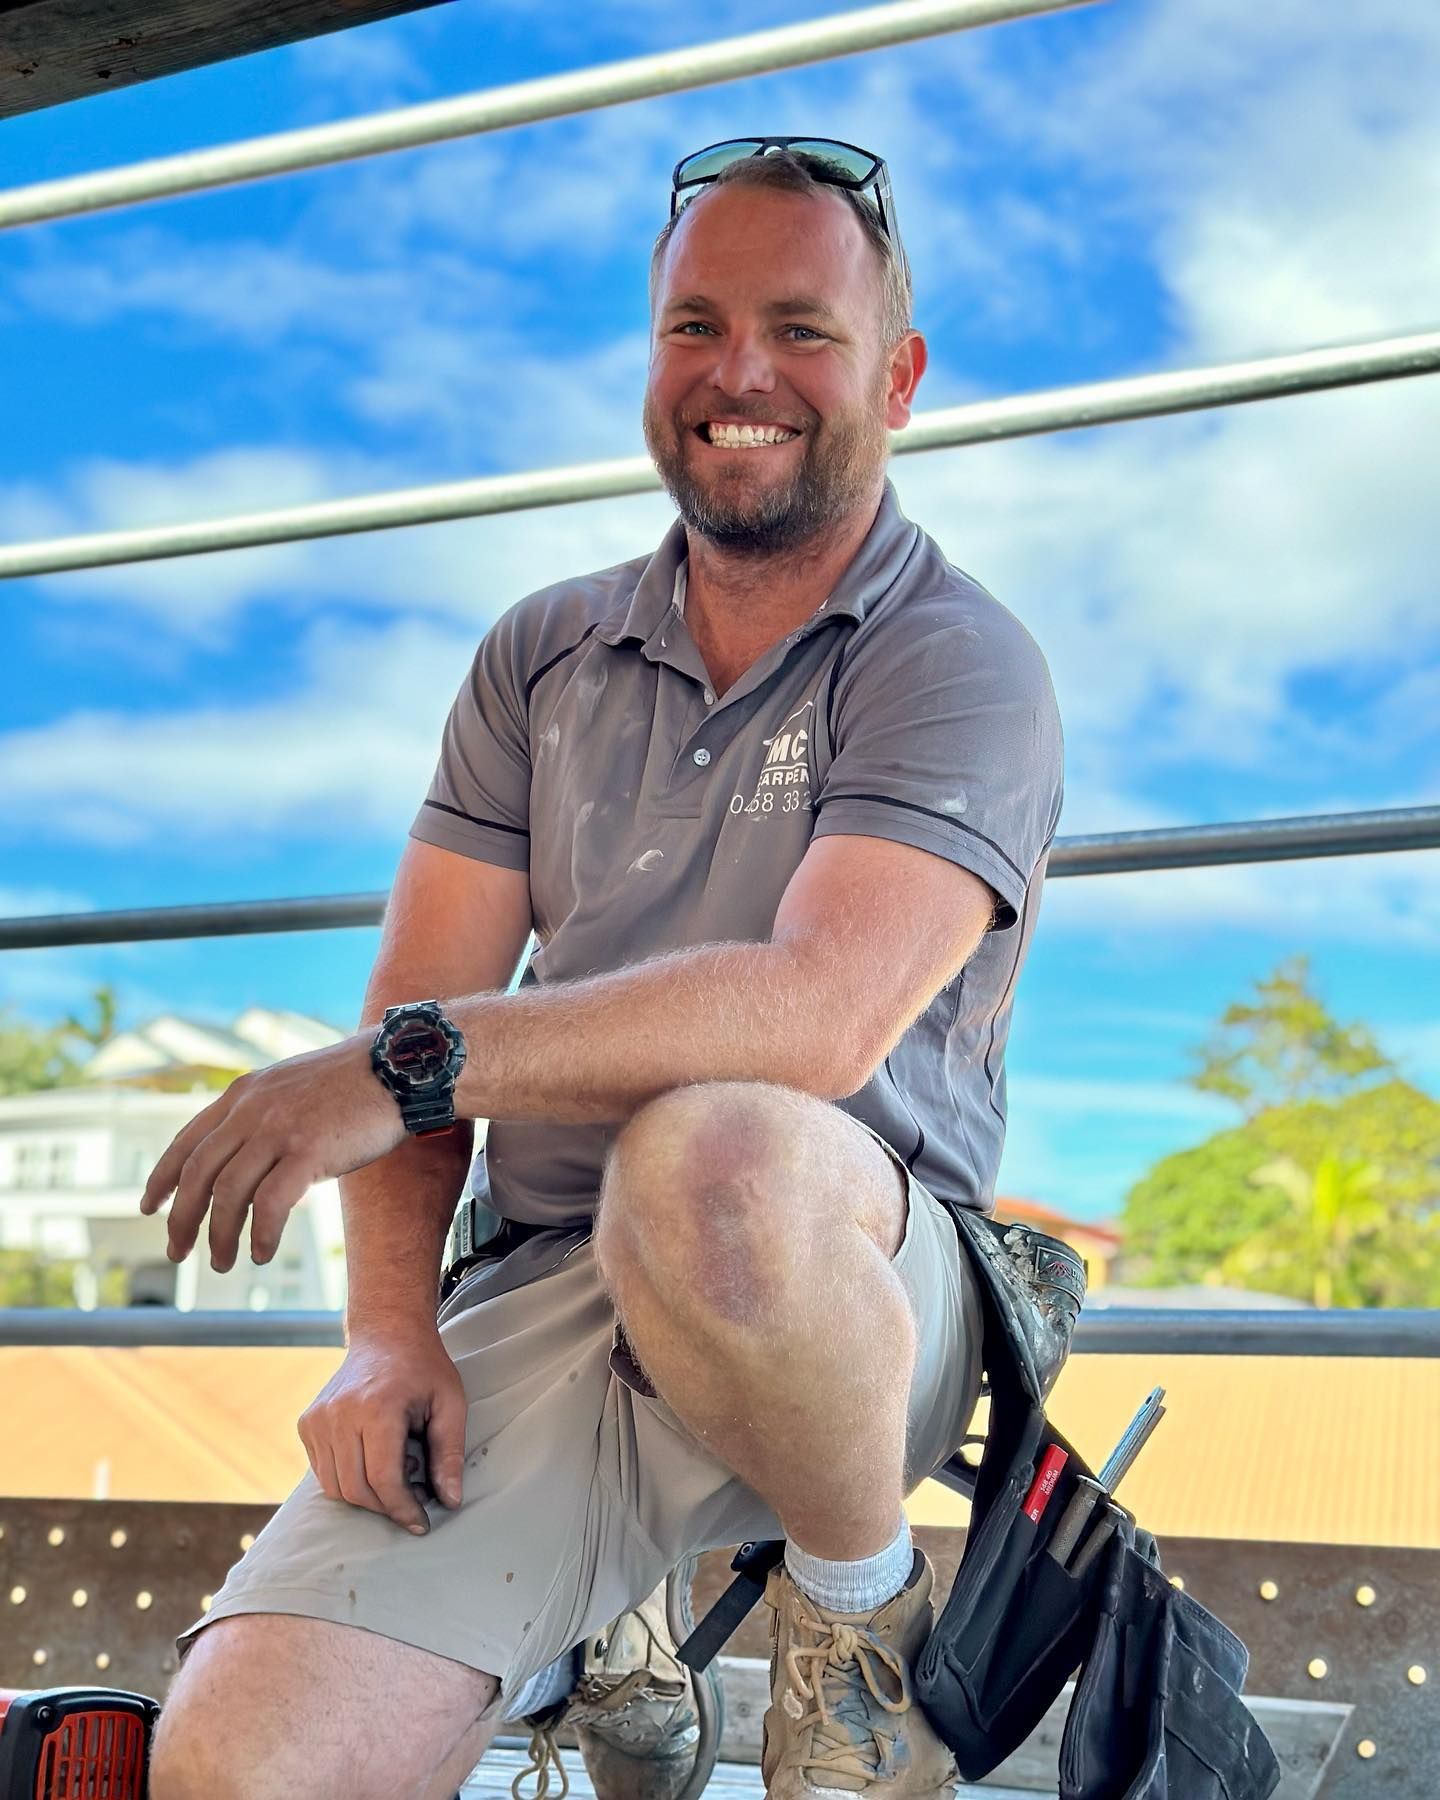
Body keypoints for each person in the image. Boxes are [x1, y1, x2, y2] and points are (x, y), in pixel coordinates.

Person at [142, 138, 1064, 1800]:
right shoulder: (539, 654)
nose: (740, 375)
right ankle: (613, 1631)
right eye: (694, 325)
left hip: (845, 1285)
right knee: (240, 1773)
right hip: (559, 1273)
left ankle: (854, 1631)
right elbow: (416, 1002)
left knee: (710, 1154)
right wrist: (383, 1333)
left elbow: (818, 1015)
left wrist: (394, 1070)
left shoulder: (962, 660)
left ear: (901, 378)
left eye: (804, 328)